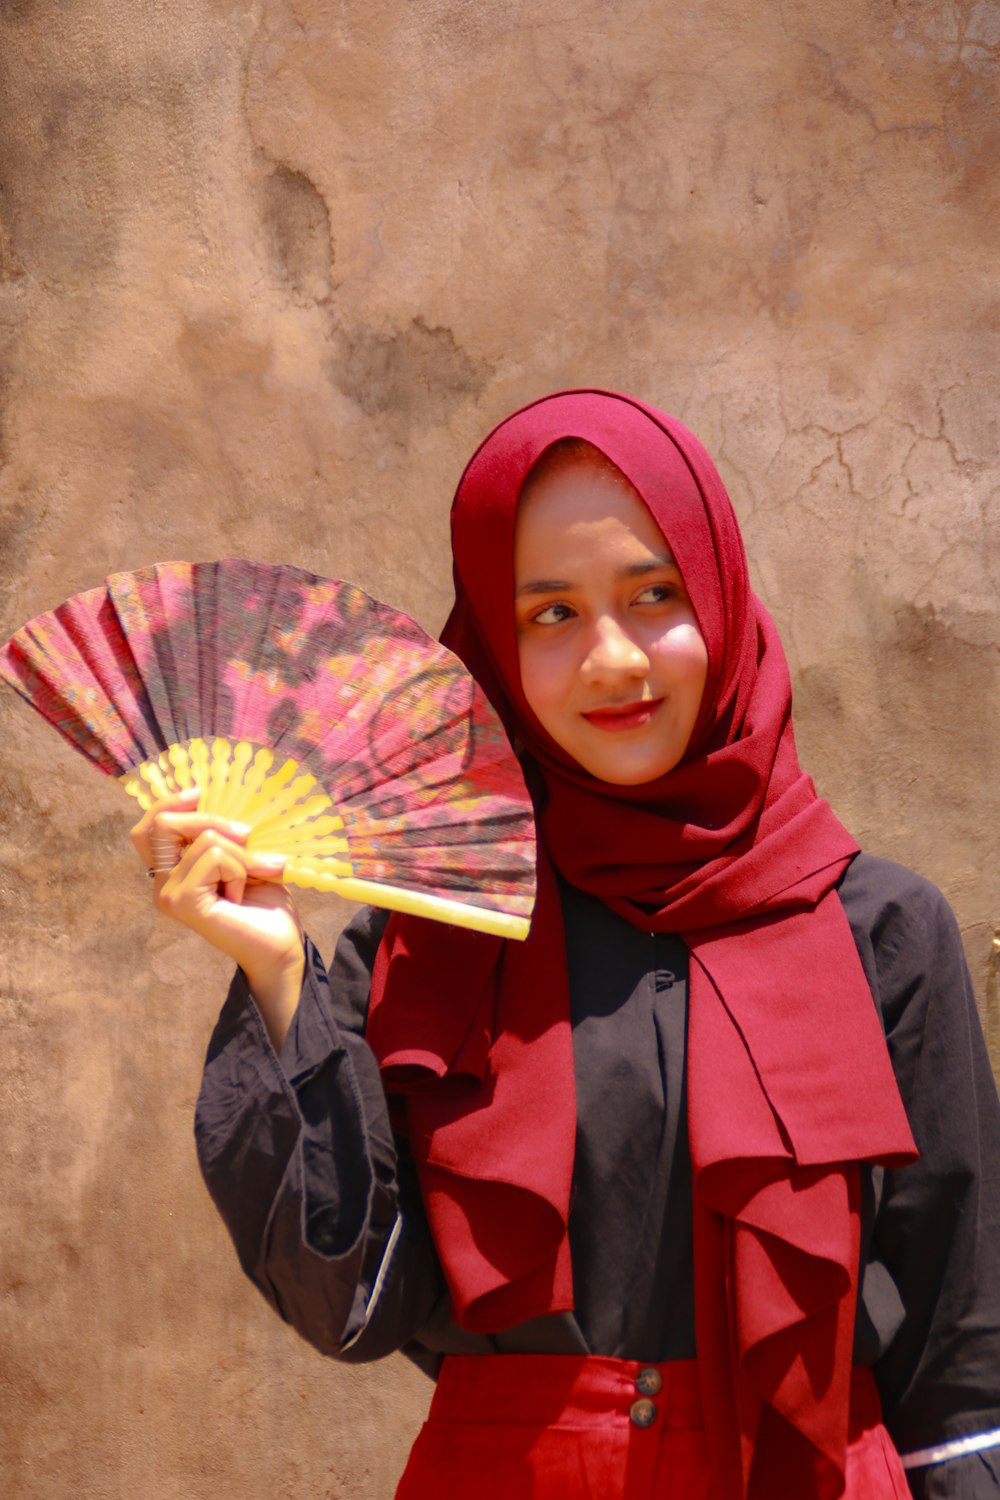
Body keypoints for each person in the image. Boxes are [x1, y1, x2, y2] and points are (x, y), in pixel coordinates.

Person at [131, 390, 1000, 1499]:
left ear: (724, 600)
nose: (613, 661)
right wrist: (277, 972)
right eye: (549, 615)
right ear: (491, 646)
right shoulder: (434, 938)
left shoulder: (879, 929)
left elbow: (961, 1360)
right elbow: (349, 1300)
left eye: (654, 595)